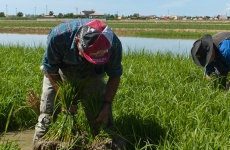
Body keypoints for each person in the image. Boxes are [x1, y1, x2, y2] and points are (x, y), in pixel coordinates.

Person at [33, 19, 123, 143]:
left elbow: (115, 75)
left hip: (92, 75)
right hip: (59, 72)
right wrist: (63, 96)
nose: (90, 61)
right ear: (77, 41)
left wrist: (106, 105)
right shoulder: (59, 37)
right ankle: (40, 142)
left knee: (101, 119)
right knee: (47, 116)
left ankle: (103, 141)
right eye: (87, 56)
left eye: (97, 58)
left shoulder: (114, 44)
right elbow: (50, 69)